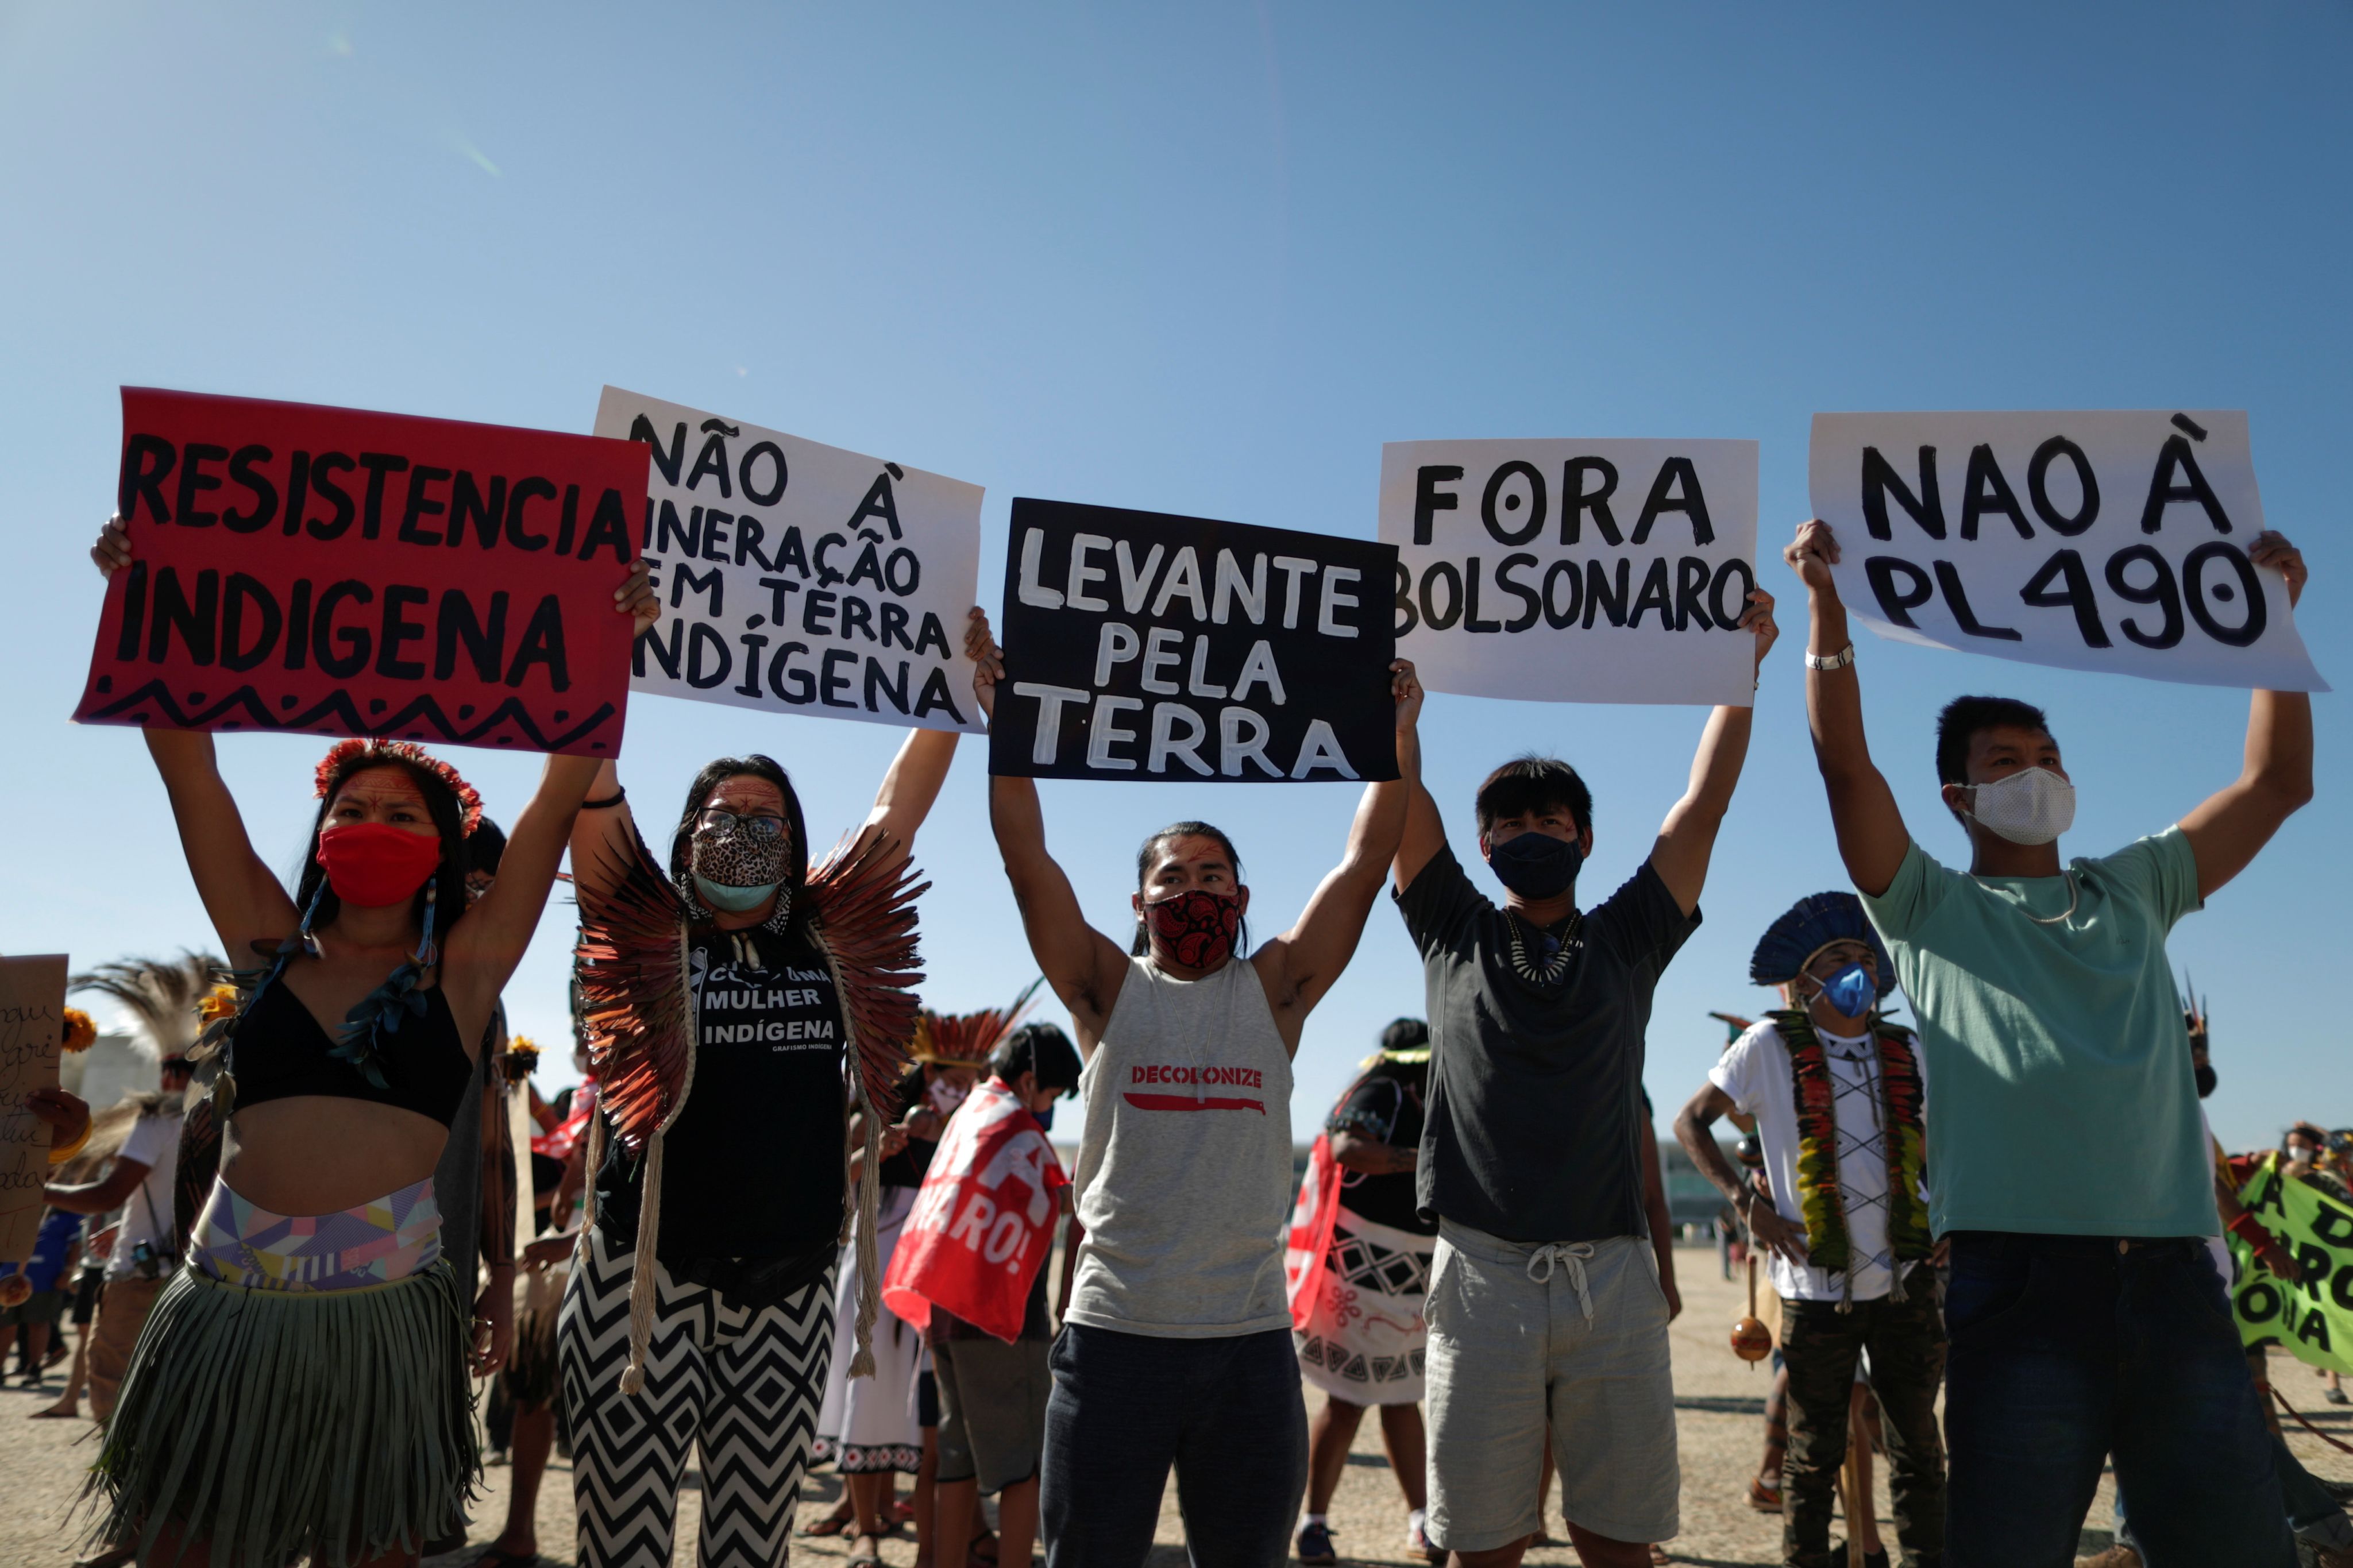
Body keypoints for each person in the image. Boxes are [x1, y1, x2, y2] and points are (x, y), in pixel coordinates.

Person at [75, 512, 650, 1568]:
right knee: (175, 1547)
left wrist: (609, 640)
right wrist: (139, 598)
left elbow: (560, 787)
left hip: (386, 1320)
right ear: (321, 833)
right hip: (223, 1306)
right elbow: (187, 768)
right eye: (353, 808)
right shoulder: (265, 949)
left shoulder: (470, 975)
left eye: (402, 814)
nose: (373, 824)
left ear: (442, 851)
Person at [1784, 517, 2312, 1566]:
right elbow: (1847, 772)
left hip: (2170, 1280)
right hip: (2018, 1290)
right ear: (1959, 795)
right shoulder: (1929, 907)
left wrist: (2275, 627)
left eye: (2048, 756)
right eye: (2008, 761)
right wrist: (1827, 613)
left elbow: (2276, 785)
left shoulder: (2137, 884)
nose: (2037, 773)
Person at [970, 613, 1420, 1568]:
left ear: (1244, 899)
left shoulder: (1279, 989)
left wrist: (1396, 734)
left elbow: (1365, 861)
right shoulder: (1105, 989)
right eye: (1173, 878)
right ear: (1138, 904)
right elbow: (1025, 860)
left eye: (1214, 875)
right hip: (1113, 1340)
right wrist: (1007, 720)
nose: (1195, 891)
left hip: (1249, 1347)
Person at [561, 625, 981, 1568]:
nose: (742, 829)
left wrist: (957, 687)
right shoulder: (640, 929)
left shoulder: (827, 936)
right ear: (685, 833)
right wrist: (598, 660)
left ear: (796, 844)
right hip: (643, 1282)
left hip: (786, 1286)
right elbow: (591, 797)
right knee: (620, 1544)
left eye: (766, 816)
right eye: (723, 811)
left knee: (750, 1545)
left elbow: (893, 809)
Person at [1391, 588, 1776, 1568]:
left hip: (1609, 1275)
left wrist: (1742, 671)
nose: (1531, 831)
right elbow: (1403, 804)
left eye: (1551, 818)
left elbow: (1705, 805)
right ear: (1482, 846)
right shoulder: (1453, 928)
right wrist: (1398, 716)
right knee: (1479, 1542)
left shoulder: (1629, 935)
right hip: (1479, 1274)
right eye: (1510, 822)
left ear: (1584, 838)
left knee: (1619, 1541)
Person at [1673, 892, 1944, 1568]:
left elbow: (1947, 1143)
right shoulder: (1767, 1045)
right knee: (1812, 1453)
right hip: (1813, 1288)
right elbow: (1691, 1123)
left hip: (1908, 1285)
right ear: (1804, 981)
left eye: (1864, 958)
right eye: (1838, 959)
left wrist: (1949, 1214)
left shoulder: (1909, 1048)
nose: (1858, 969)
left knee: (1918, 1450)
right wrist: (1745, 1202)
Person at [927, 1021, 1085, 1568]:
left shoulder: (968, 1115)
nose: (1053, 1107)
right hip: (1000, 1319)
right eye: (1054, 1093)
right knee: (1026, 1464)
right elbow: (1055, 1207)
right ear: (1028, 1080)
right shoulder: (1016, 1128)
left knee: (959, 1457)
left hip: (944, 1307)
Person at [1291, 1018, 1441, 1566]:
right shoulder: (1384, 1086)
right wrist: (1420, 1161)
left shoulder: (1423, 1092)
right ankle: (1314, 1523)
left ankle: (1422, 1520)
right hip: (1361, 1271)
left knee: (1403, 1396)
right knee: (1349, 1398)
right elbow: (1347, 1145)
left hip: (1410, 1273)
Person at [38, 1052, 190, 1425]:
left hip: (139, 1280)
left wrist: (39, 1191)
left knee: (112, 1389)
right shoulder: (223, 1117)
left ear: (170, 1075)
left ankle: (128, 1476)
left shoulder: (160, 1118)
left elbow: (107, 1196)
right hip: (192, 1278)